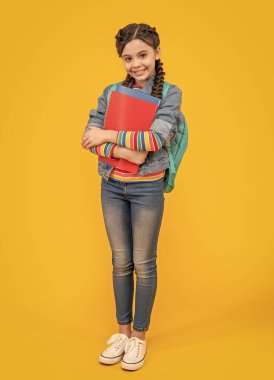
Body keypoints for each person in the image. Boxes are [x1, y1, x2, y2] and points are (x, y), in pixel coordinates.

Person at [81, 23, 183, 371]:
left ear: (157, 52)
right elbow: (87, 136)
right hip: (112, 185)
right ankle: (122, 333)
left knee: (143, 263)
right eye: (128, 58)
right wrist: (127, 149)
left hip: (146, 188)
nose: (136, 63)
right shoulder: (111, 93)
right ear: (121, 60)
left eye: (142, 55)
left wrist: (107, 136)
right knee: (120, 261)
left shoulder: (169, 93)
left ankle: (139, 338)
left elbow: (154, 142)